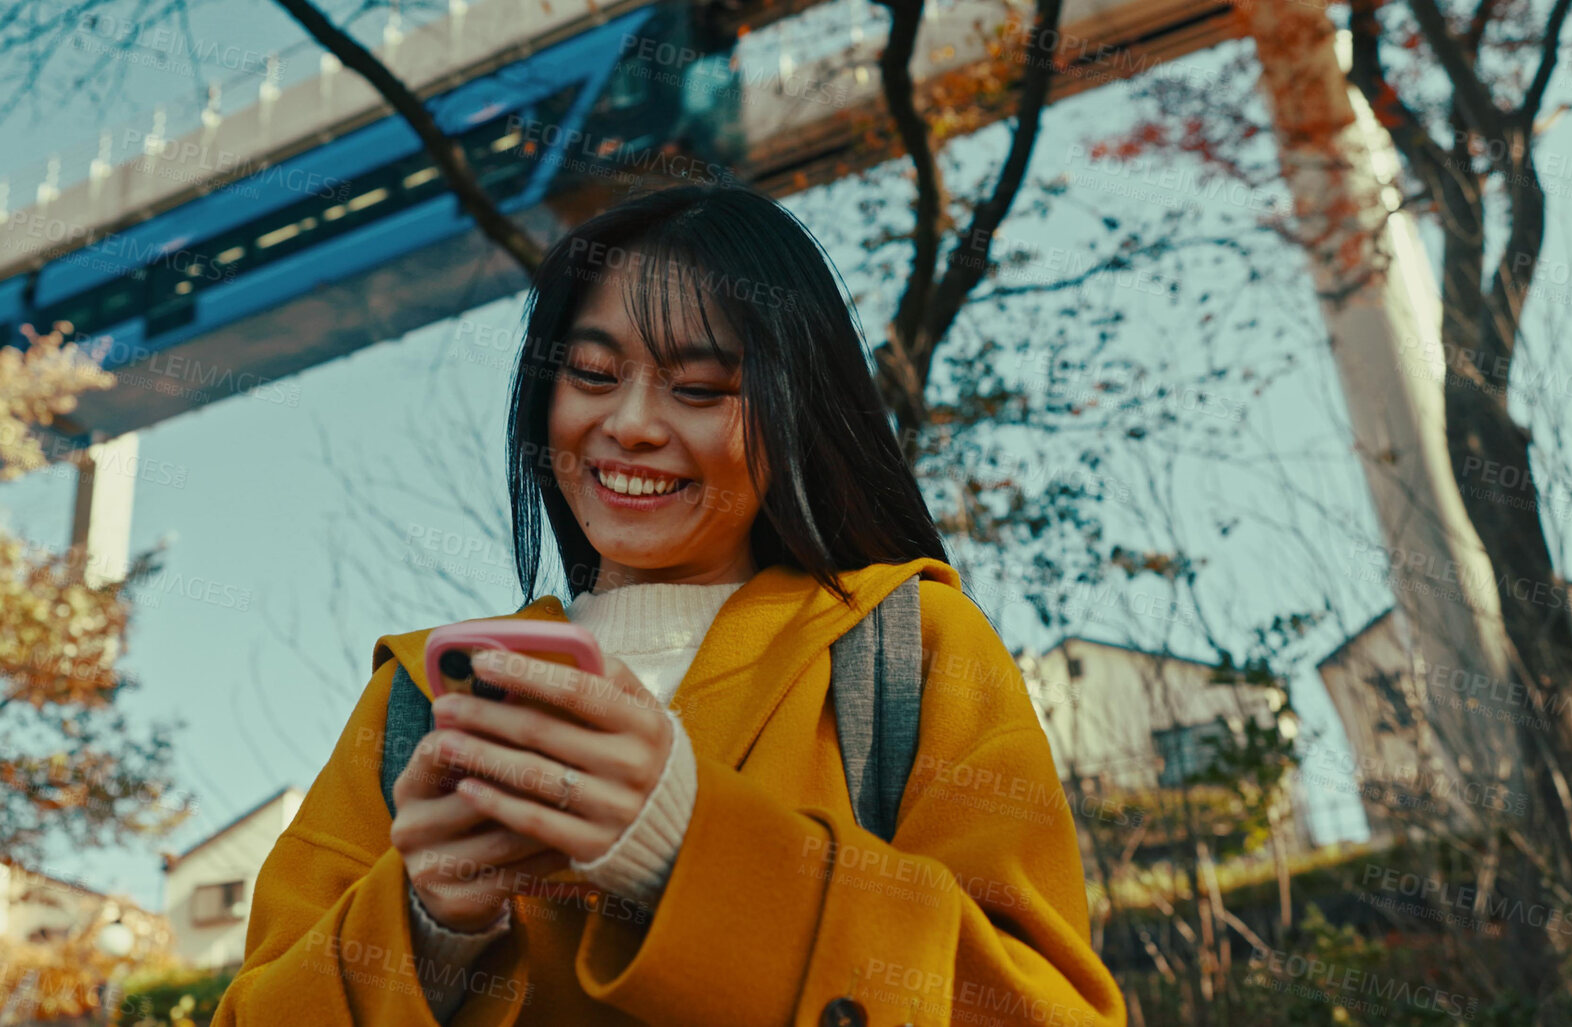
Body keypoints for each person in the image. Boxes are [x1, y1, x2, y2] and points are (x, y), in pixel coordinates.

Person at [213, 185, 1124, 1025]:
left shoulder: (908, 650)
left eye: (698, 387)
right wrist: (426, 924)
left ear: (796, 407)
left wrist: (687, 849)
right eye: (593, 375)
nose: (633, 423)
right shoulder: (420, 698)